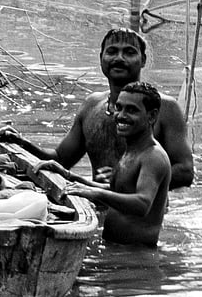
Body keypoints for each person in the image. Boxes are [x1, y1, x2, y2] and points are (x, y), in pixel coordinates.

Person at [0, 27, 194, 189]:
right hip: (95, 202)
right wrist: (20, 142)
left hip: (140, 216)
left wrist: (126, 179)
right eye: (112, 51)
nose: (119, 58)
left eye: (129, 52)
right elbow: (60, 159)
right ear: (101, 58)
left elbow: (185, 171)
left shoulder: (164, 108)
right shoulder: (92, 105)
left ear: (143, 61)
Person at [64, 81, 171, 247]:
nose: (120, 115)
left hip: (136, 259)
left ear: (151, 116)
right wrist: (70, 176)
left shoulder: (153, 157)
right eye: (118, 107)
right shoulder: (132, 150)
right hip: (116, 252)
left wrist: (97, 194)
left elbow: (142, 204)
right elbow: (117, 192)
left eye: (131, 110)